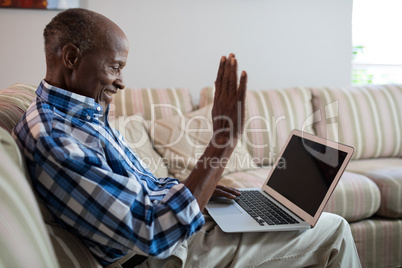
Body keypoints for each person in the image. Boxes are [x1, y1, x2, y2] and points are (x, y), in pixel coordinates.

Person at [12, 8, 361, 268]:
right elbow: (153, 232)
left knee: (285, 217)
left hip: (166, 233)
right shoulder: (57, 139)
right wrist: (224, 138)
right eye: (115, 67)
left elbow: (133, 190)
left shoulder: (74, 113)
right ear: (72, 57)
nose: (120, 82)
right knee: (334, 230)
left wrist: (190, 192)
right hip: (157, 254)